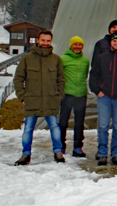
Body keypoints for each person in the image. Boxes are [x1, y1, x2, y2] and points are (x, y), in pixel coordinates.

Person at [14, 30, 65, 165]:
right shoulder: (26, 58)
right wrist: (22, 97)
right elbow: (18, 79)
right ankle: (26, 154)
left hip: (50, 100)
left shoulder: (56, 59)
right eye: (43, 40)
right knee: (28, 128)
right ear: (37, 40)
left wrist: (59, 96)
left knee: (54, 127)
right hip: (32, 100)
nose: (45, 43)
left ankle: (58, 152)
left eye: (48, 41)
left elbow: (61, 80)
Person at [89, 32, 117, 165]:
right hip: (104, 96)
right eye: (114, 41)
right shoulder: (102, 57)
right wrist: (97, 91)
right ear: (110, 43)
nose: (116, 43)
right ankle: (102, 153)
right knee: (103, 126)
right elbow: (94, 75)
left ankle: (116, 153)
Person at [59, 36, 90, 157]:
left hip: (81, 94)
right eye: (75, 44)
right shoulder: (63, 59)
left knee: (79, 122)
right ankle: (61, 146)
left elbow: (85, 75)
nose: (77, 47)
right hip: (67, 94)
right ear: (71, 45)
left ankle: (77, 147)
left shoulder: (85, 61)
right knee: (63, 122)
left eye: (80, 44)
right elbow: (59, 75)